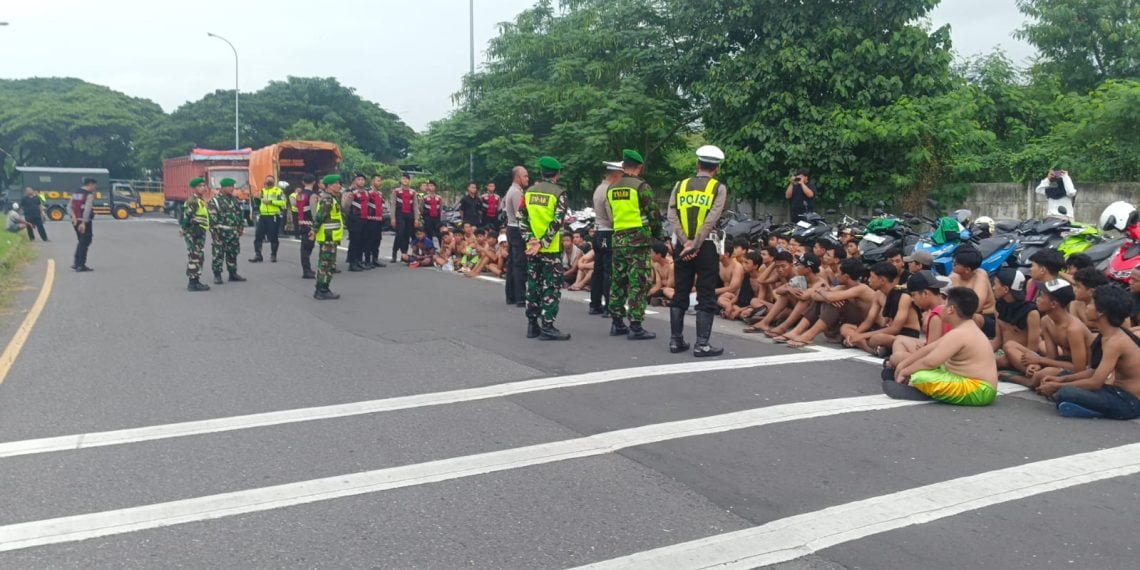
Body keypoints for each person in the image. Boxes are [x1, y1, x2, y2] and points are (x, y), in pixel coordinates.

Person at [884, 287, 999, 406]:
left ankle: (915, 385)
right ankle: (918, 384)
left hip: (979, 390)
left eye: (945, 304)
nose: (942, 307)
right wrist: (904, 364)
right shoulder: (964, 328)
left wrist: (905, 372)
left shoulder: (960, 333)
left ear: (951, 310)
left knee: (919, 376)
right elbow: (929, 348)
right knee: (924, 368)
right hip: (967, 380)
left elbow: (930, 362)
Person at [1040, 285, 1140, 419]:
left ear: (1101, 312)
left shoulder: (1115, 341)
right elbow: (1093, 371)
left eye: (1092, 303)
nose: (1087, 306)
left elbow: (1095, 382)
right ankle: (1082, 406)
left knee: (1066, 392)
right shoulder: (1105, 335)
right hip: (1114, 391)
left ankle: (1092, 410)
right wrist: (1060, 379)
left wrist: (1057, 386)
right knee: (1062, 377)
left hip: (1129, 402)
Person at [606, 149, 661, 341]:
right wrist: (658, 236)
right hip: (638, 241)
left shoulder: (612, 188)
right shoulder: (641, 186)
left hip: (619, 239)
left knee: (618, 281)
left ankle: (617, 322)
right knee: (639, 282)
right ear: (639, 167)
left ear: (623, 166)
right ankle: (635, 325)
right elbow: (653, 213)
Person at [1002, 280, 1092, 387]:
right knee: (1010, 345)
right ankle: (1034, 374)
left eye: (1042, 296)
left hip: (1080, 372)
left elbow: (1079, 368)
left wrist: (1040, 360)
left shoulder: (1073, 329)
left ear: (1053, 304)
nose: (1038, 299)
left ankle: (1027, 381)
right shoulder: (1046, 321)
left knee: (1046, 373)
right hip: (1059, 363)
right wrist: (1037, 364)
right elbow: (1051, 357)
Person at [519, 156, 571, 341]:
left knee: (533, 285)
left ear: (541, 172)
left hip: (532, 248)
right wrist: (542, 241)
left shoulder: (529, 192)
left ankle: (532, 325)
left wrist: (531, 239)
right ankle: (547, 326)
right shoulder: (559, 192)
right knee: (551, 287)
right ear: (557, 173)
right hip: (551, 248)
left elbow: (521, 218)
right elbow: (557, 221)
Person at [843, 262, 921, 356]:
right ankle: (875, 349)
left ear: (882, 280)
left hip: (905, 334)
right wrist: (854, 335)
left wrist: (861, 336)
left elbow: (895, 329)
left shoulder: (903, 297)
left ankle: (873, 347)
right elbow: (868, 321)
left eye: (872, 277)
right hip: (887, 331)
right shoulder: (878, 294)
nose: (869, 280)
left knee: (877, 338)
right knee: (845, 328)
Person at [887, 271, 953, 370]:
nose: (913, 300)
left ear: (925, 293)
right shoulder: (946, 306)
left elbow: (931, 355)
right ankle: (899, 370)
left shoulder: (936, 316)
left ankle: (901, 372)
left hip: (943, 363)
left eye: (913, 295)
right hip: (943, 356)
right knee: (900, 339)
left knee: (896, 358)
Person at [589, 161, 623, 316]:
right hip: (608, 232)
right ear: (615, 175)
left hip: (598, 232)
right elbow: (612, 216)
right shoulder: (609, 190)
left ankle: (594, 303)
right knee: (608, 270)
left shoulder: (599, 188)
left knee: (598, 269)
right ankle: (609, 305)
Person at [990, 268, 1041, 370]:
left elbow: (1033, 350)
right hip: (1005, 354)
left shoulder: (1031, 312)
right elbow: (998, 340)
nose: (993, 288)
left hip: (1025, 357)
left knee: (1009, 347)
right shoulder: (999, 307)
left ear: (1005, 289)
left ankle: (1030, 373)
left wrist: (1011, 357)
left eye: (995, 284)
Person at [949, 244, 996, 338]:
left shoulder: (980, 275)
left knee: (970, 318)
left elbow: (976, 306)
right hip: (960, 313)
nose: (953, 264)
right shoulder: (954, 275)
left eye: (956, 263)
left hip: (984, 317)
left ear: (967, 270)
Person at [311, 174, 344, 300]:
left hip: (331, 236)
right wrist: (314, 230)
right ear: (329, 186)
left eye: (339, 183)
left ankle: (322, 288)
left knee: (328, 264)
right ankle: (322, 289)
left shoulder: (332, 198)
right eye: (336, 183)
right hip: (327, 237)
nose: (339, 186)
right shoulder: (328, 199)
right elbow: (320, 216)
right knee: (326, 264)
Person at [207, 178, 246, 284]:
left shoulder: (234, 200)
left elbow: (239, 214)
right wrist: (214, 232)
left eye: (233, 186)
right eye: (230, 187)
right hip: (221, 232)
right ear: (223, 188)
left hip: (233, 232)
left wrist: (240, 228)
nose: (232, 189)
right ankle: (217, 274)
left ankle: (232, 273)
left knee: (233, 253)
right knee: (218, 253)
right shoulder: (215, 201)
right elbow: (212, 218)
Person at [179, 178, 212, 292]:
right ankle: (192, 283)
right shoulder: (193, 201)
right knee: (194, 257)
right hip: (194, 233)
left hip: (200, 232)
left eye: (204, 185)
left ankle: (196, 280)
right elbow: (186, 217)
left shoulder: (200, 200)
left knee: (199, 257)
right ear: (194, 188)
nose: (203, 188)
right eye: (200, 186)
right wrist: (184, 229)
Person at [504, 166, 529, 307]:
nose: (527, 179)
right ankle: (520, 296)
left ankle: (511, 295)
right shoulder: (516, 192)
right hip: (517, 229)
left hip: (512, 228)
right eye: (525, 176)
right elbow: (521, 215)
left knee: (513, 263)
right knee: (519, 263)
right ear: (518, 177)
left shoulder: (513, 190)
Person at [250, 175, 286, 263]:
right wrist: (256, 198)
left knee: (273, 236)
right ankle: (258, 255)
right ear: (264, 181)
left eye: (271, 180)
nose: (269, 182)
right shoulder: (262, 191)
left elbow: (283, 203)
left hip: (273, 216)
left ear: (274, 182)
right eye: (267, 180)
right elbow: (257, 204)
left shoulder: (278, 191)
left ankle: (273, 255)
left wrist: (271, 202)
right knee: (258, 235)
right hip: (263, 216)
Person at [389, 174, 420, 263]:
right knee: (400, 233)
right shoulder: (396, 191)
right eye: (403, 178)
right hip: (399, 214)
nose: (405, 180)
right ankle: (394, 252)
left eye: (407, 179)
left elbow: (415, 206)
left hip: (410, 215)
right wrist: (392, 218)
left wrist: (416, 219)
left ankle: (404, 254)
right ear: (400, 180)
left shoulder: (413, 192)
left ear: (409, 181)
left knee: (407, 234)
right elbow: (393, 205)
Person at [293, 174, 318, 279]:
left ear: (303, 182)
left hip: (301, 222)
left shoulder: (299, 194)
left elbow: (295, 204)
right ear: (314, 182)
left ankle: (307, 269)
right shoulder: (312, 195)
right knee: (307, 248)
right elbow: (313, 211)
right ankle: (306, 270)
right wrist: (316, 223)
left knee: (304, 247)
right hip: (309, 224)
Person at [70, 177, 97, 272]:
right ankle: (80, 265)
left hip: (75, 221)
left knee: (81, 241)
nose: (94, 188)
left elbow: (70, 207)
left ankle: (76, 263)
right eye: (94, 186)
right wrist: (83, 223)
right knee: (85, 241)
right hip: (84, 222)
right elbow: (87, 210)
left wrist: (73, 216)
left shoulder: (76, 193)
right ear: (90, 184)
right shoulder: (89, 195)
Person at [344, 174, 369, 271]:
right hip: (354, 219)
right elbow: (345, 206)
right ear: (355, 181)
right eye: (359, 179)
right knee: (354, 241)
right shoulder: (350, 192)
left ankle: (359, 260)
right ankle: (352, 262)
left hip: (364, 219)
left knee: (362, 241)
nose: (361, 181)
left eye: (363, 179)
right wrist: (350, 216)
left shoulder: (366, 192)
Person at [364, 175, 387, 268]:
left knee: (377, 239)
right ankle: (367, 260)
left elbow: (382, 204)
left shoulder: (380, 193)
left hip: (379, 220)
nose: (380, 182)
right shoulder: (367, 192)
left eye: (380, 181)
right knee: (369, 240)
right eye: (378, 180)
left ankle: (375, 259)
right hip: (370, 219)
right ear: (373, 181)